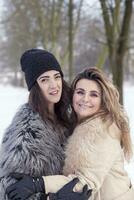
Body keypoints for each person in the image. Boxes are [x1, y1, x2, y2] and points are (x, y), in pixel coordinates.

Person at [6, 67, 134, 200]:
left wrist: (39, 185)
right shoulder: (77, 123)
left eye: (94, 95)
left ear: (103, 100)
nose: (85, 99)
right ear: (72, 94)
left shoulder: (103, 130)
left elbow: (85, 184)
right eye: (80, 92)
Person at [0, 48, 90, 200]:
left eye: (56, 76)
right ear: (35, 87)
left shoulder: (69, 114)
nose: (54, 85)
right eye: (44, 80)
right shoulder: (26, 134)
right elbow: (8, 191)